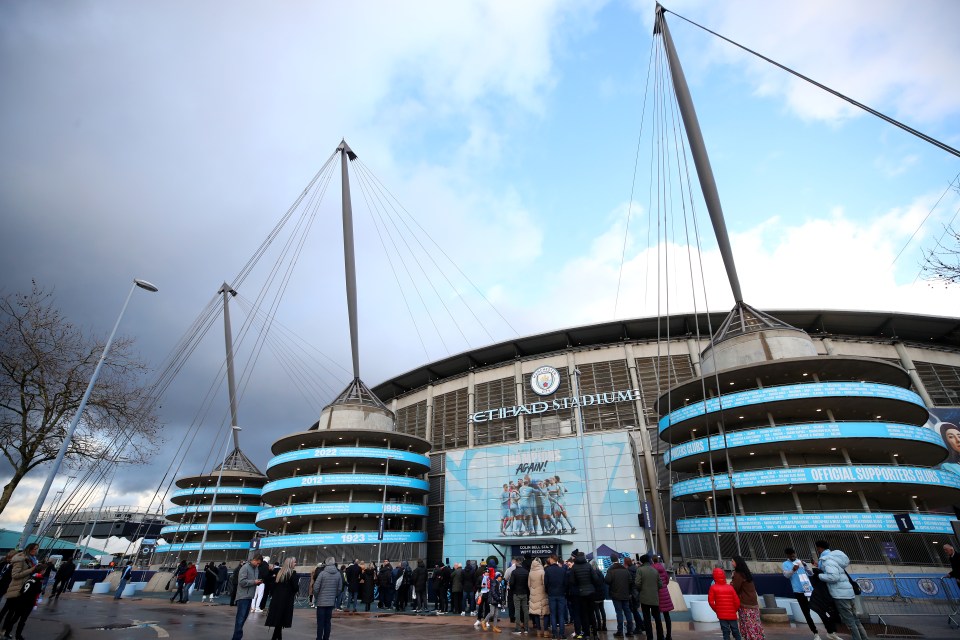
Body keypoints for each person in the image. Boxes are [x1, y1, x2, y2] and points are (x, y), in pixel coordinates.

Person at [814, 541, 867, 640]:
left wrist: (819, 575)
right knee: (855, 620)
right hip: (848, 593)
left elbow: (833, 577)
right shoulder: (835, 559)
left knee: (850, 622)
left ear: (819, 548)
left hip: (840, 594)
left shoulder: (827, 561)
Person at [0, 544, 43, 635]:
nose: (36, 550)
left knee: (12, 611)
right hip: (16, 588)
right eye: (34, 549)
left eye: (37, 549)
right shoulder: (21, 560)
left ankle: (6, 630)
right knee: (9, 610)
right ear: (29, 549)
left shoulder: (32, 560)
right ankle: (3, 630)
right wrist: (31, 570)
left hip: (23, 589)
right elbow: (15, 575)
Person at [782, 547, 822, 640]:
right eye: (790, 555)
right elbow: (786, 576)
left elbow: (811, 574)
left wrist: (806, 566)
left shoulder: (801, 562)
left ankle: (830, 630)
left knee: (819, 608)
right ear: (787, 555)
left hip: (809, 590)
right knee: (806, 613)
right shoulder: (785, 564)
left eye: (793, 554)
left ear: (795, 553)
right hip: (798, 591)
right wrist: (793, 570)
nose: (792, 556)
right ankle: (815, 633)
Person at [2, 568, 43, 640]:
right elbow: (37, 592)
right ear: (41, 571)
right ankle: (18, 636)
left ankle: (7, 633)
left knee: (15, 618)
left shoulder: (29, 579)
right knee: (22, 620)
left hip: (21, 601)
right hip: (28, 603)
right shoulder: (38, 581)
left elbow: (21, 590)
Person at [730, 556, 764, 640]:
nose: (731, 563)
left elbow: (735, 588)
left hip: (745, 603)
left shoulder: (738, 574)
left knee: (747, 624)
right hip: (752, 602)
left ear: (737, 563)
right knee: (755, 623)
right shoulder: (746, 572)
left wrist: (732, 578)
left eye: (732, 561)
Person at [265, 557, 298, 640]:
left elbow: (271, 582)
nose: (295, 564)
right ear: (290, 564)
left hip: (277, 598)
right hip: (286, 600)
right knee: (281, 619)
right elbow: (295, 587)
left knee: (278, 618)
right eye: (294, 562)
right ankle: (276, 637)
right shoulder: (292, 574)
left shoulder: (279, 572)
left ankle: (277, 637)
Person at [232, 554, 263, 640]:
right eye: (257, 563)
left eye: (259, 564)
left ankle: (237, 637)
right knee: (240, 619)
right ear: (254, 559)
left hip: (249, 596)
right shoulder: (245, 568)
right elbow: (242, 582)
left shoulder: (256, 569)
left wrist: (257, 582)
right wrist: (254, 582)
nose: (258, 565)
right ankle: (236, 638)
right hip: (243, 596)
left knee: (243, 618)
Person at [809, 561, 841, 640]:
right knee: (817, 612)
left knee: (830, 612)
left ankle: (831, 632)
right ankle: (816, 633)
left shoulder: (825, 571)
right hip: (807, 593)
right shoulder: (821, 573)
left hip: (822, 593)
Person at [635, 554, 664, 640]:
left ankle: (650, 637)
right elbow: (660, 584)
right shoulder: (655, 570)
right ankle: (660, 637)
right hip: (655, 597)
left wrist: (641, 589)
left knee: (647, 619)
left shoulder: (640, 570)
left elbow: (637, 583)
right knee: (658, 618)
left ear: (642, 561)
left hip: (644, 598)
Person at [708, 567, 742, 640]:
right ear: (723, 575)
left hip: (721, 615)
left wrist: (717, 610)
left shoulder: (713, 588)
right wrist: (734, 610)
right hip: (732, 614)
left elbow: (711, 602)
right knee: (736, 631)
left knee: (725, 632)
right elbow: (737, 602)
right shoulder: (730, 587)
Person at [606, 554, 634, 639]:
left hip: (616, 594)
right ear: (618, 560)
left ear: (611, 560)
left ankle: (620, 631)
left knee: (619, 613)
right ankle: (630, 631)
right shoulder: (625, 570)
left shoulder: (611, 570)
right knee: (628, 612)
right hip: (626, 594)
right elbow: (630, 581)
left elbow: (607, 580)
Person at [314, 557, 342, 640]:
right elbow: (339, 588)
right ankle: (326, 638)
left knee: (320, 623)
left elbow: (316, 587)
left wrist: (317, 597)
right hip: (331, 602)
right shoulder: (338, 574)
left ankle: (319, 638)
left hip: (321, 602)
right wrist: (334, 596)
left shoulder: (322, 574)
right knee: (328, 622)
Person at [543, 555, 567, 640]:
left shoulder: (548, 570)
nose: (548, 560)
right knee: (561, 614)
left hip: (551, 594)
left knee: (553, 614)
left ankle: (554, 634)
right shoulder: (562, 570)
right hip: (561, 594)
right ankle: (562, 634)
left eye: (549, 558)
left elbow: (545, 583)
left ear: (552, 560)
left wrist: (548, 591)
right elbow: (565, 583)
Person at [528, 557, 549, 638]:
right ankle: (546, 631)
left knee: (536, 613)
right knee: (546, 613)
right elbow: (545, 583)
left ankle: (538, 631)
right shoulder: (542, 572)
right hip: (542, 594)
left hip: (533, 595)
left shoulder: (530, 572)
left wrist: (532, 591)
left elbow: (529, 585)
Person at [509, 555, 531, 634]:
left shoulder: (514, 572)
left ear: (516, 562)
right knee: (525, 610)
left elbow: (511, 583)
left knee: (517, 610)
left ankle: (518, 628)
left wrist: (512, 589)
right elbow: (528, 583)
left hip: (516, 593)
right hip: (524, 593)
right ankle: (526, 628)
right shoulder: (526, 572)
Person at [624, 557, 645, 638]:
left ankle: (639, 626)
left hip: (632, 593)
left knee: (634, 611)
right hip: (637, 592)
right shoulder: (636, 569)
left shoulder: (628, 570)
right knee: (635, 610)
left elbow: (629, 582)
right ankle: (641, 625)